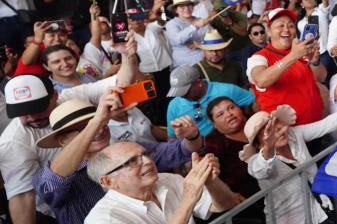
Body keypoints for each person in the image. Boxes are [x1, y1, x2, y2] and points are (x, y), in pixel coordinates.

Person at [0, 35, 138, 223]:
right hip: (63, 207)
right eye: (22, 112)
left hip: (108, 181)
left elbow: (119, 85)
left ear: (54, 96)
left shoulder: (71, 96)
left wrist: (128, 57)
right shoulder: (13, 141)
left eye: (37, 108)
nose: (32, 117)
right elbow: (22, 197)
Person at [32, 96, 204, 224]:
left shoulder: (130, 150)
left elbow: (181, 150)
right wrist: (97, 120)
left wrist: (192, 136)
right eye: (83, 129)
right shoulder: (49, 177)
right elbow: (54, 180)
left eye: (103, 125)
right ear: (62, 141)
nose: (99, 131)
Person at [242, 102, 337, 224]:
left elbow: (325, 125)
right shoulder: (256, 162)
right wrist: (269, 148)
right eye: (267, 131)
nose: (276, 130)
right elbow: (260, 170)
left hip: (320, 211)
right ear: (259, 144)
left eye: (276, 123)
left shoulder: (294, 134)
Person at [85, 141, 239, 223]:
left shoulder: (167, 179)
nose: (147, 161)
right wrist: (188, 199)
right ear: (108, 181)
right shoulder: (103, 219)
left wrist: (211, 182)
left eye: (145, 154)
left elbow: (226, 204)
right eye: (132, 161)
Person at [247, 8, 326, 126]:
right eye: (280, 26)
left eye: (290, 26)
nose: (286, 30)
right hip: (286, 133)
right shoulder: (259, 57)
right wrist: (293, 56)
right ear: (268, 31)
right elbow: (261, 80)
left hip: (315, 126)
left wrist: (314, 61)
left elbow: (321, 78)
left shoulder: (299, 50)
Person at [166, 66, 255, 137]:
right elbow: (172, 137)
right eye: (178, 92)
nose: (182, 95)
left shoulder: (227, 90)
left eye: (185, 91)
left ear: (199, 83)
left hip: (230, 142)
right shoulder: (174, 106)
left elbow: (255, 102)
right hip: (195, 149)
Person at [165, 0, 212, 67]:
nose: (186, 8)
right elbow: (177, 40)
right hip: (186, 65)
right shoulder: (172, 24)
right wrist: (195, 26)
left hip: (207, 61)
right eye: (182, 6)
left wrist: (201, 45)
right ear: (175, 10)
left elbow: (213, 37)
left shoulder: (200, 20)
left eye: (189, 5)